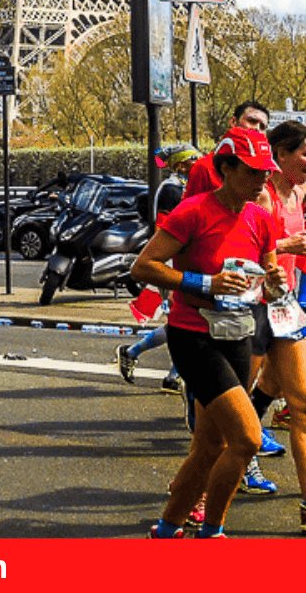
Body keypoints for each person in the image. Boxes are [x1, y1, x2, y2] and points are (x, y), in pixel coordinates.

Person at [132, 126, 284, 538]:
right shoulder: (194, 211)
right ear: (225, 168)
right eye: (252, 172)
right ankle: (212, 533)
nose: (261, 181)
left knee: (208, 448)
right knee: (248, 439)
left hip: (239, 334)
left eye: (266, 173)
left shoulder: (260, 219)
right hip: (194, 335)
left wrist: (274, 283)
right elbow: (144, 267)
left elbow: (268, 277)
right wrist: (206, 283)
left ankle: (166, 530)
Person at [239, 119, 306, 526]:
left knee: (300, 405)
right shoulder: (263, 196)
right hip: (254, 305)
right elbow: (244, 249)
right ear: (280, 156)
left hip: (285, 304)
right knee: (231, 407)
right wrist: (285, 245)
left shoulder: (299, 192)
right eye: (303, 153)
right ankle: (205, 488)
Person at [116, 144, 199, 392]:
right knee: (184, 321)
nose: (200, 162)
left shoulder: (185, 187)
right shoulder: (171, 190)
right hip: (171, 263)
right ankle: (139, 355)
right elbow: (164, 231)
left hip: (186, 262)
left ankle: (165, 369)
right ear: (182, 165)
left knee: (186, 320)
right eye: (195, 159)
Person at [185, 102, 270, 197]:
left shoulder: (268, 167)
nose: (257, 128)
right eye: (252, 121)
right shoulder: (204, 167)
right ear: (233, 122)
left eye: (262, 127)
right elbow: (189, 208)